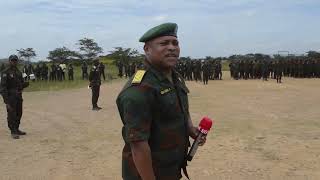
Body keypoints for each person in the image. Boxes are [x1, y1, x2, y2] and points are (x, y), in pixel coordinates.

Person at [116, 22, 206, 180]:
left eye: (175, 43)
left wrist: (190, 128)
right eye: (164, 43)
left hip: (170, 167)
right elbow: (138, 145)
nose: (172, 47)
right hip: (147, 173)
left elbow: (181, 107)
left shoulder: (174, 77)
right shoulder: (139, 90)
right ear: (147, 49)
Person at [0, 55, 29, 139]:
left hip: (18, 95)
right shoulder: (5, 72)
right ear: (9, 61)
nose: (14, 62)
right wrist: (6, 101)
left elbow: (20, 84)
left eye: (15, 60)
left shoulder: (18, 72)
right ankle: (13, 131)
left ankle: (16, 129)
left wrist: (25, 85)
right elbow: (2, 87)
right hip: (10, 96)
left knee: (19, 113)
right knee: (11, 114)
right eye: (12, 60)